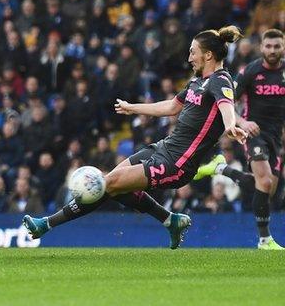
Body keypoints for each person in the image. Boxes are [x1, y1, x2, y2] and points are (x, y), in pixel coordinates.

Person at [24, 26, 247, 248]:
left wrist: (230, 126)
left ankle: (46, 224)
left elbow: (226, 105)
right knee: (114, 180)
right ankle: (171, 220)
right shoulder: (197, 81)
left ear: (208, 55)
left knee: (107, 184)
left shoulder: (220, 80)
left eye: (192, 52)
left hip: (177, 163)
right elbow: (171, 106)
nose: (189, 58)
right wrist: (133, 108)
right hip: (163, 147)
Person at [193, 28, 285, 249]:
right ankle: (265, 240)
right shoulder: (250, 72)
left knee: (267, 188)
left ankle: (221, 169)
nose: (272, 50)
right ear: (261, 47)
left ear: (283, 47)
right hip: (252, 133)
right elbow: (226, 100)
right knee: (264, 181)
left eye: (277, 46)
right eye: (268, 46)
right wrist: (242, 123)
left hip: (275, 136)